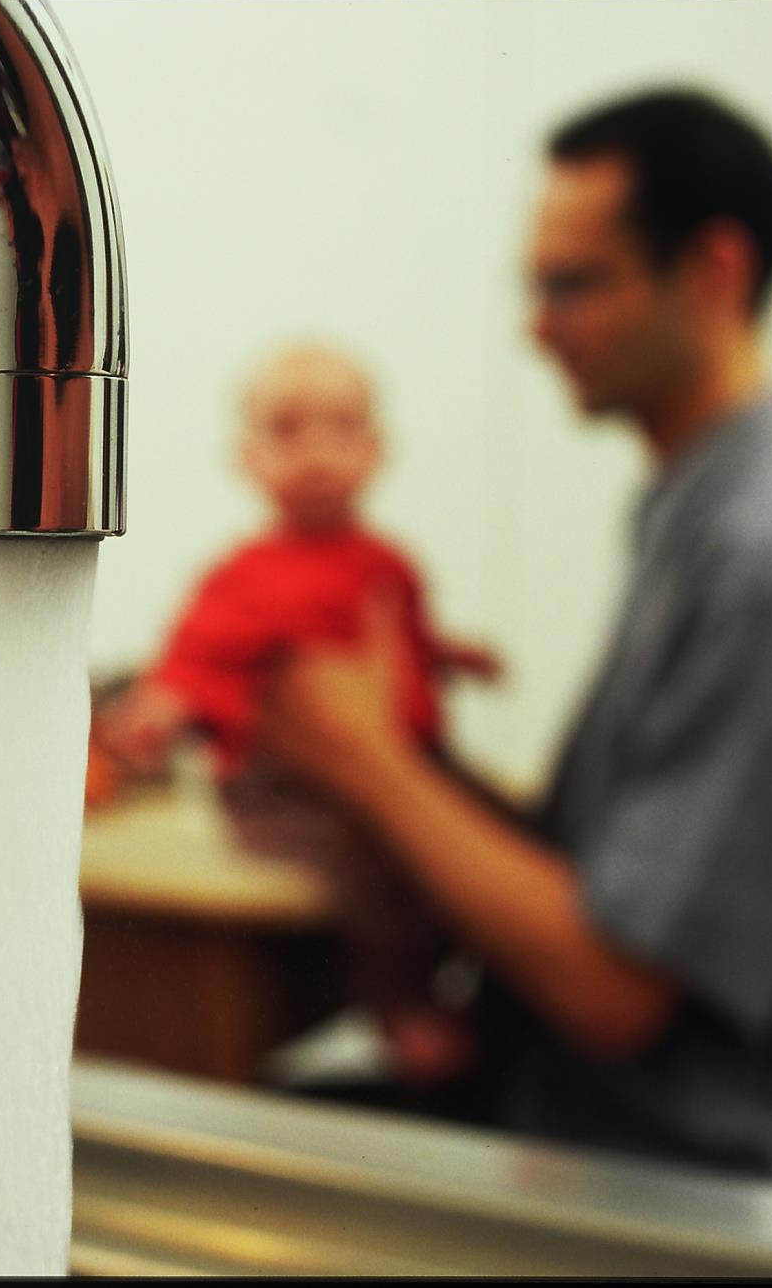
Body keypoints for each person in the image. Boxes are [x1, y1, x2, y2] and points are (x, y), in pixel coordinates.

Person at [261, 89, 772, 1197]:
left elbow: (613, 990)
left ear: (712, 274)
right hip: (598, 1125)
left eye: (572, 284)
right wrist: (410, 748)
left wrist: (366, 763)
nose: (535, 326)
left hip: (699, 1184)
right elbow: (611, 879)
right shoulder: (700, 512)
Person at [98, 343, 501, 1083]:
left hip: (403, 756)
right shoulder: (243, 576)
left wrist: (449, 655)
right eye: (286, 430)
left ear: (376, 449)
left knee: (496, 819)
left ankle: (488, 990)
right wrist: (161, 708)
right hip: (284, 786)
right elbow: (193, 662)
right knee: (378, 848)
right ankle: (397, 1005)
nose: (317, 451)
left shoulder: (388, 562)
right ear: (245, 457)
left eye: (341, 428)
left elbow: (399, 639)